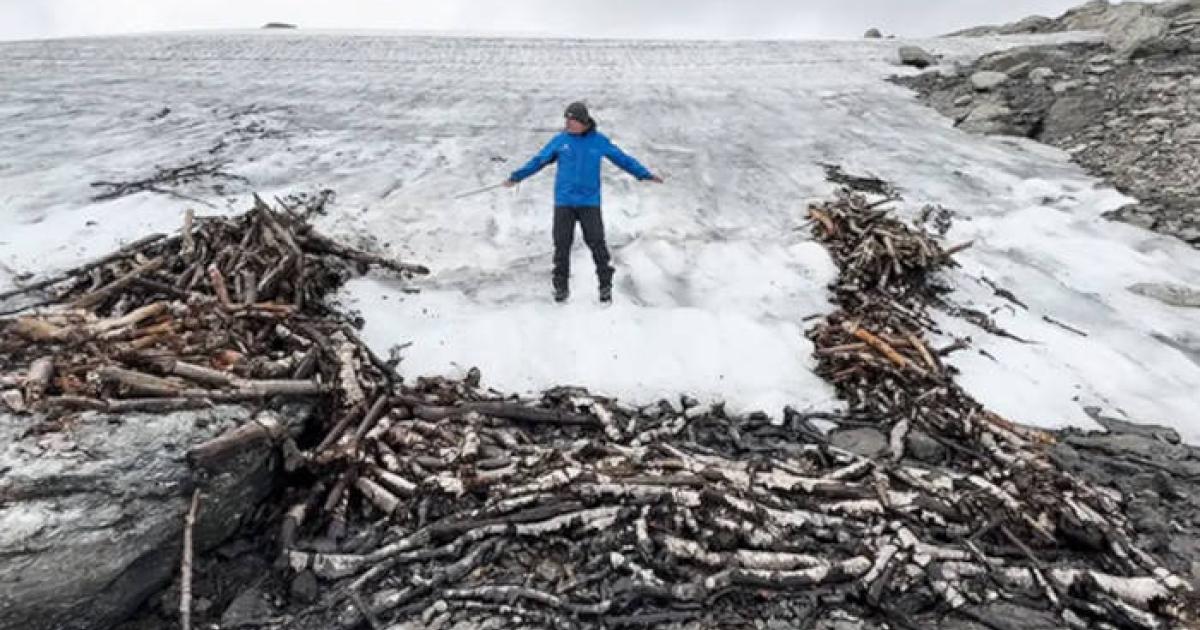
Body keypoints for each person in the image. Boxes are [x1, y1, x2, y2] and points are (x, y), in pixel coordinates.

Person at [505, 101, 663, 303]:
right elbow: (539, 160)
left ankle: (605, 285)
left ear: (583, 121)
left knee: (597, 244)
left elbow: (622, 159)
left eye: (571, 120)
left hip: (589, 202)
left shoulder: (598, 141)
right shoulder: (560, 141)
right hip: (565, 202)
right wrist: (517, 176)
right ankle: (561, 288)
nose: (568, 124)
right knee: (562, 245)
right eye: (566, 120)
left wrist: (644, 174)